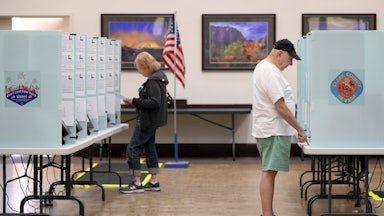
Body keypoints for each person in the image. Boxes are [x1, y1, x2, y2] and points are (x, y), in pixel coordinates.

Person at [252, 39, 308, 216]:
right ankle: (267, 214)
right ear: (279, 53)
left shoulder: (266, 69)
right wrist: (299, 129)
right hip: (273, 129)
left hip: (271, 128)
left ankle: (267, 213)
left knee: (270, 171)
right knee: (269, 172)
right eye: (290, 59)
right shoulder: (269, 71)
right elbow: (280, 106)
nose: (290, 64)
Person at [120, 51, 169, 194]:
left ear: (144, 66)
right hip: (153, 120)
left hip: (147, 121)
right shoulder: (160, 78)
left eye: (139, 68)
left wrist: (134, 101)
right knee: (149, 147)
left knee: (132, 148)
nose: (139, 72)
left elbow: (154, 103)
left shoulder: (153, 82)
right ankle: (153, 181)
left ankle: (137, 183)